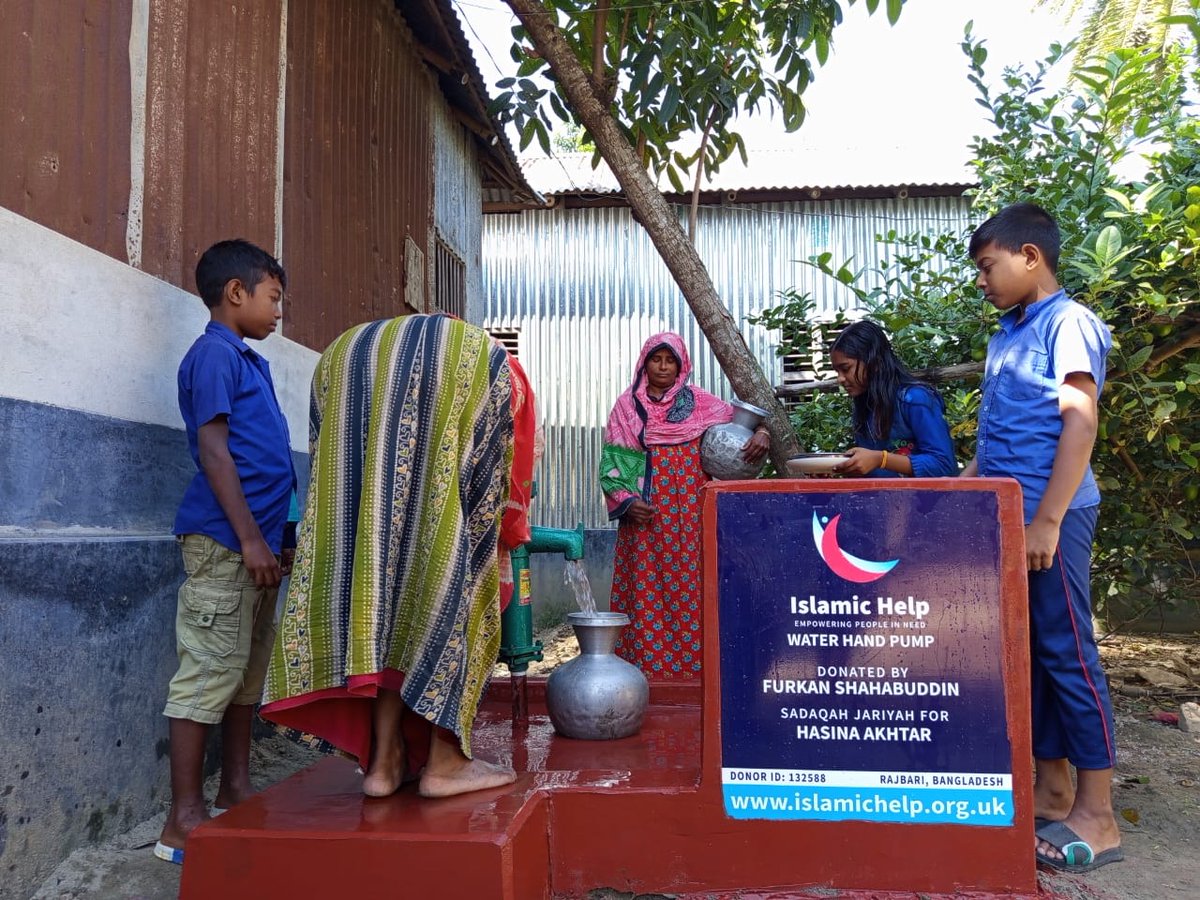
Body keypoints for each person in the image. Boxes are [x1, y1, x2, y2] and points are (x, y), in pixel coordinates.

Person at [261, 314, 535, 800]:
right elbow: (510, 470)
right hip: (442, 508)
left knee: (386, 622)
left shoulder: (347, 351)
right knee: (454, 596)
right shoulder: (499, 367)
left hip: (365, 514)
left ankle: (383, 764)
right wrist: (504, 538)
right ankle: (445, 763)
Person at [964, 202, 1121, 872]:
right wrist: (960, 487)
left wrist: (1049, 519)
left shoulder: (1069, 323)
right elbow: (1000, 435)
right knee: (1032, 654)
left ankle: (1100, 814)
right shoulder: (1009, 331)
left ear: (1031, 257)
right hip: (1012, 520)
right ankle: (1054, 789)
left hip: (1050, 518)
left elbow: (1079, 423)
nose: (982, 280)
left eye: (988, 266)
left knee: (1069, 654)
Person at [157, 239, 296, 864]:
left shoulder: (249, 360)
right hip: (224, 543)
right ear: (235, 293)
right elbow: (215, 452)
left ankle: (235, 787)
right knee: (209, 669)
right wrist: (246, 538)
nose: (278, 312)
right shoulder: (213, 355)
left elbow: (268, 461)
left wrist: (278, 537)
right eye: (273, 298)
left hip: (258, 547)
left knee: (245, 672)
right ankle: (182, 818)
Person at [599, 332, 769, 679]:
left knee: (696, 584)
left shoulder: (701, 403)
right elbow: (614, 462)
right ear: (644, 363)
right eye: (656, 359)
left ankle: (700, 672)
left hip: (694, 510)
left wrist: (763, 432)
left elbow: (746, 422)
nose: (663, 366)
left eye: (670, 360)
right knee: (646, 589)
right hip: (647, 515)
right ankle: (648, 672)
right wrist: (628, 501)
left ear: (681, 365)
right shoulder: (627, 407)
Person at [828, 320, 957, 477]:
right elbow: (872, 473)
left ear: (874, 362)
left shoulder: (915, 399)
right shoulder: (864, 407)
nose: (840, 379)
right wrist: (835, 470)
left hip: (926, 501)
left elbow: (943, 465)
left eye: (846, 368)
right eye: (837, 371)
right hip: (883, 500)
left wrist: (881, 459)